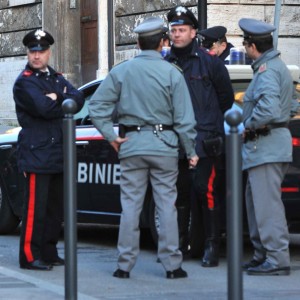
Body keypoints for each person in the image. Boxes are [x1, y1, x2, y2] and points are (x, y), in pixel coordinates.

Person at [88, 17, 198, 279]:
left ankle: (124, 266)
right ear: (163, 43)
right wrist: (191, 151)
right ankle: (172, 265)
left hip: (132, 145)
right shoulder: (172, 73)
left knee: (130, 207)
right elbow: (185, 119)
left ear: (138, 43)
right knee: (166, 206)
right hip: (165, 146)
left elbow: (96, 107)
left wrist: (110, 136)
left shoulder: (122, 71)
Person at [166, 6, 234, 267]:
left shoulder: (210, 64)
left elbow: (226, 101)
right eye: (174, 30)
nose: (178, 34)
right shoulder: (167, 63)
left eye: (182, 30)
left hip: (205, 140)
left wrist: (208, 130)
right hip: (175, 142)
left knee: (205, 191)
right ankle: (182, 244)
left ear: (194, 32)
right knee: (179, 194)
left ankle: (211, 245)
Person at [13, 29, 84, 270]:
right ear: (28, 53)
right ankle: (29, 256)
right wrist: (59, 99)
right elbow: (43, 108)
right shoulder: (24, 82)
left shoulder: (56, 77)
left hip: (58, 153)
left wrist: (58, 97)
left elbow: (78, 98)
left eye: (41, 51)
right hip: (36, 153)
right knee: (35, 210)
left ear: (48, 53)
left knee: (55, 209)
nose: (36, 56)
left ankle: (49, 251)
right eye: (33, 51)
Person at [239, 18, 296, 276]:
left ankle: (276, 259)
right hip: (266, 147)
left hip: (266, 146)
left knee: (267, 207)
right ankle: (264, 253)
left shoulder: (267, 71)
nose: (244, 47)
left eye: (245, 43)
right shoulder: (275, 67)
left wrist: (247, 125)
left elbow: (269, 108)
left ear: (252, 46)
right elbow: (293, 104)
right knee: (257, 205)